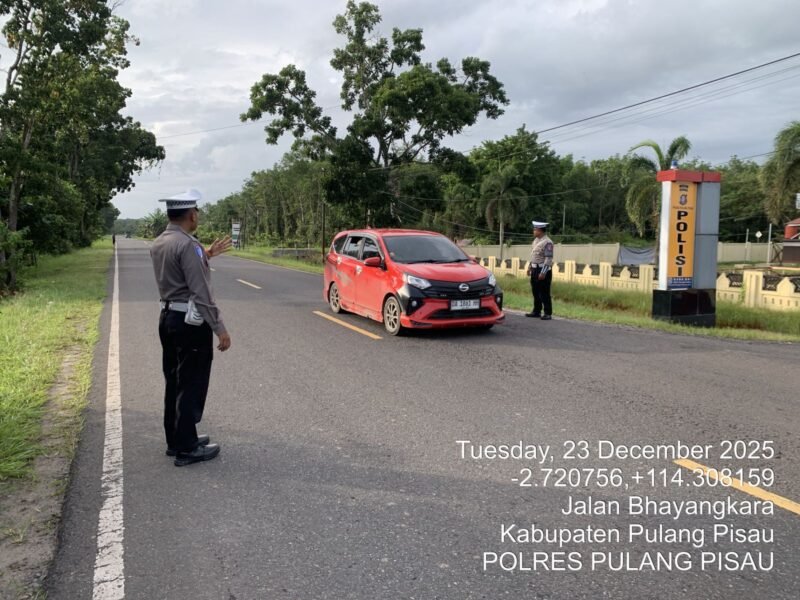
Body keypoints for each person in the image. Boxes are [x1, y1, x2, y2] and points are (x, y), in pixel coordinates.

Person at [149, 189, 233, 467]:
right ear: (191, 215)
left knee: (174, 380)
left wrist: (206, 254)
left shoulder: (161, 241)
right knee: (191, 382)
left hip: (168, 318)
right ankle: (187, 448)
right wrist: (219, 327)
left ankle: (177, 439)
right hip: (190, 323)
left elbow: (177, 274)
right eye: (197, 212)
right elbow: (200, 292)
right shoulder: (188, 245)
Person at [526, 221, 554, 320]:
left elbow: (548, 259)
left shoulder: (548, 242)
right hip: (534, 269)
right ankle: (536, 311)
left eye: (535, 229)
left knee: (544, 292)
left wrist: (543, 272)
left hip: (543, 270)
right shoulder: (536, 241)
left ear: (540, 230)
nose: (533, 231)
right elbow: (534, 256)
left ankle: (547, 313)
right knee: (535, 291)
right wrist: (529, 267)